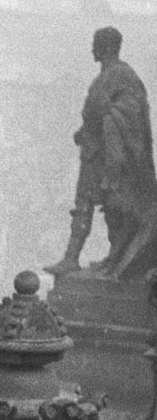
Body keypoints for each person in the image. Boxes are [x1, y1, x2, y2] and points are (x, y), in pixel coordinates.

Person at [46, 27, 157, 278]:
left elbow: (126, 112)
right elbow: (97, 111)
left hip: (107, 156)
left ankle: (96, 258)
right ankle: (87, 258)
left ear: (106, 47)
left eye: (95, 44)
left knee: (103, 206)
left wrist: (103, 124)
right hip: (99, 152)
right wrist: (85, 129)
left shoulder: (120, 75)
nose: (92, 49)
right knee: (96, 205)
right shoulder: (111, 75)